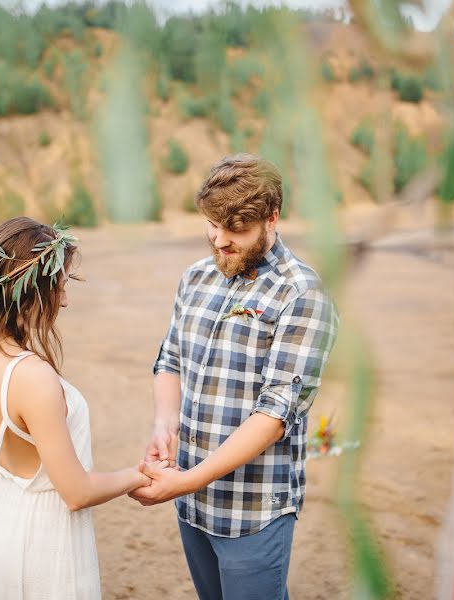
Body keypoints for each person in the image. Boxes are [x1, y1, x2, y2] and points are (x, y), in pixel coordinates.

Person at [131, 154, 339, 600]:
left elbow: (276, 414)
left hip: (252, 511)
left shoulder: (303, 294)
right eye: (212, 225)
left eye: (236, 230)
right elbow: (170, 360)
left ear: (272, 218)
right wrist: (164, 425)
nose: (220, 240)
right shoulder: (196, 277)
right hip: (191, 505)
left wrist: (186, 480)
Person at [0, 217, 162, 599]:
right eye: (61, 285)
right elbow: (76, 492)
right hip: (43, 541)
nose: (64, 299)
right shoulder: (33, 378)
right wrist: (141, 475)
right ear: (35, 290)